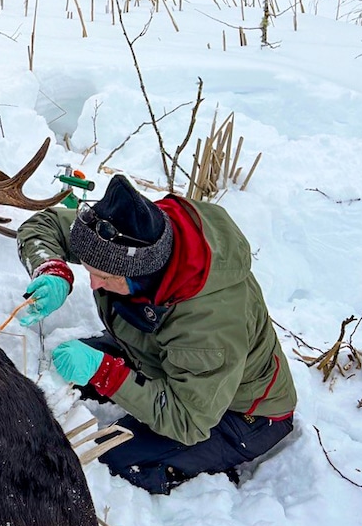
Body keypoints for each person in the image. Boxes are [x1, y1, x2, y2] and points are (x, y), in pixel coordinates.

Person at [15, 174, 296, 495]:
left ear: (142, 273)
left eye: (104, 276)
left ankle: (206, 466)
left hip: (239, 412)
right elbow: (44, 226)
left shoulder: (206, 323)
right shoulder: (134, 235)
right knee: (59, 369)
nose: (93, 284)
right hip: (162, 358)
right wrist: (52, 269)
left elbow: (188, 420)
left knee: (103, 459)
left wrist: (106, 372)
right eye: (89, 272)